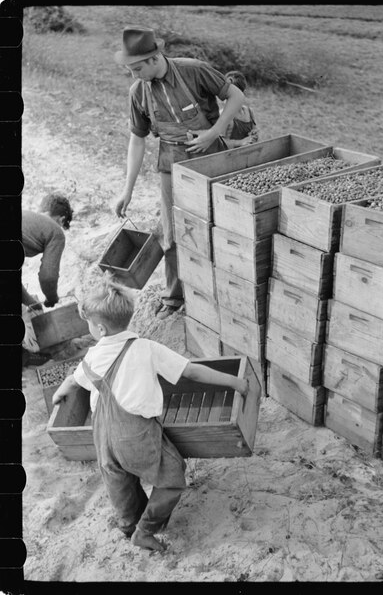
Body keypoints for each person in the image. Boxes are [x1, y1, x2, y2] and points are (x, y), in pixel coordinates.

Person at [52, 273, 249, 552]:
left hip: (102, 437)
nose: (90, 331)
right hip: (134, 434)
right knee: (172, 476)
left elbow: (74, 379)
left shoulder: (93, 355)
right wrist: (234, 382)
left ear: (101, 330)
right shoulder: (146, 349)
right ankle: (145, 531)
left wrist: (60, 391)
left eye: (90, 327)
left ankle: (128, 525)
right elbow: (191, 370)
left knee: (120, 483)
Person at [113, 27, 245, 320]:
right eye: (130, 69)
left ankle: (228, 290)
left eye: (137, 68)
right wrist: (127, 190)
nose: (134, 75)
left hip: (211, 156)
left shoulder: (194, 70)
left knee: (222, 227)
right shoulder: (138, 92)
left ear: (154, 58)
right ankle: (174, 297)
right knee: (171, 233)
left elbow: (235, 97)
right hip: (171, 161)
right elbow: (137, 140)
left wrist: (213, 132)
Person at [22, 193, 74, 367]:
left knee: (30, 305)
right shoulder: (55, 231)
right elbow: (48, 276)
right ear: (62, 219)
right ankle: (26, 357)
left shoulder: (26, 216)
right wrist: (52, 298)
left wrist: (32, 304)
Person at [222, 71, 259, 149]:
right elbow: (220, 143)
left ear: (243, 93)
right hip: (229, 158)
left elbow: (254, 130)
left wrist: (254, 135)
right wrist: (240, 142)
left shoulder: (249, 112)